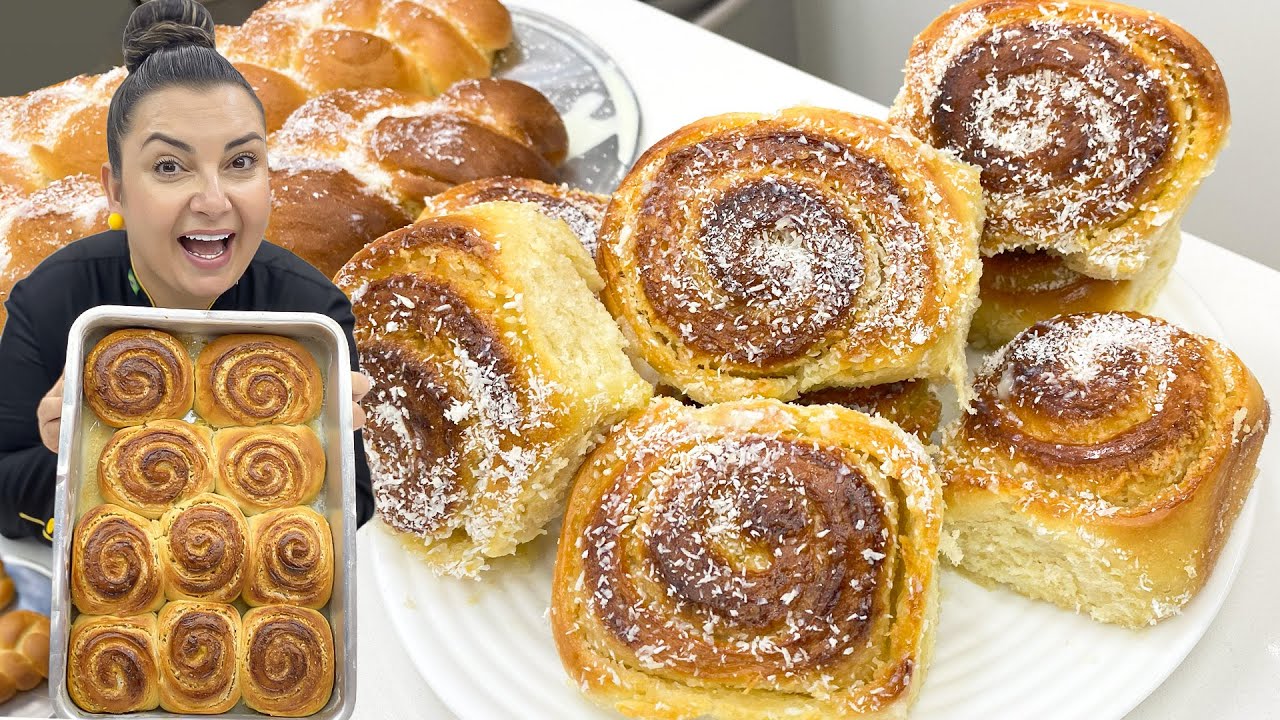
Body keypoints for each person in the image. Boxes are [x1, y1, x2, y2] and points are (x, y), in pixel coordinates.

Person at [0, 0, 375, 541]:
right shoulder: (53, 300)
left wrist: (326, 458)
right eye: (170, 166)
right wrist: (74, 454)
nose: (213, 200)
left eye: (241, 162)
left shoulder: (312, 310)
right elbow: (4, 490)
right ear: (117, 189)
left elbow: (355, 507)